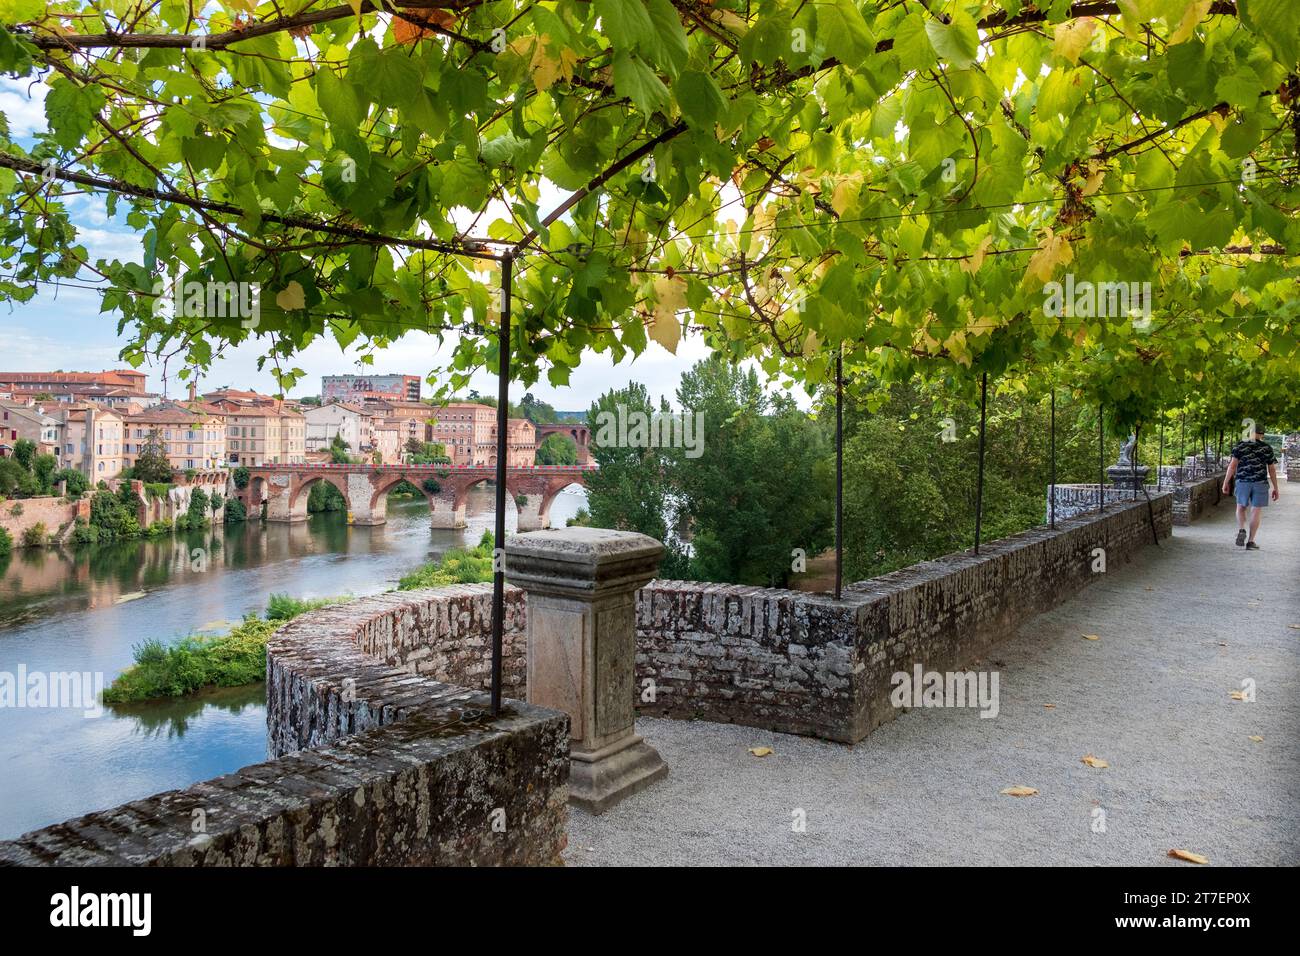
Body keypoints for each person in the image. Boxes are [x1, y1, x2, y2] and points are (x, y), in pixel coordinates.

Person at [1222, 425, 1279, 550]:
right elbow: (1272, 470)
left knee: (1241, 508)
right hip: (1260, 482)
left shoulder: (1240, 445)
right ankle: (1251, 541)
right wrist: (1276, 487)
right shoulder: (1266, 447)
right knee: (1256, 511)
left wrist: (1225, 482)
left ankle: (1242, 529)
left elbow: (1232, 466)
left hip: (1243, 481)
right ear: (1262, 434)